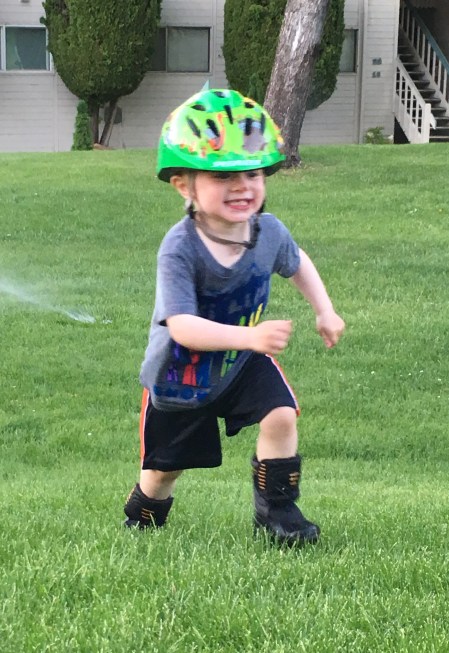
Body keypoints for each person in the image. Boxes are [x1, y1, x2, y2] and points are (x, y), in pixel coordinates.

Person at [123, 89, 345, 545]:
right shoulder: (179, 248)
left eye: (252, 173)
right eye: (223, 176)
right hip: (181, 374)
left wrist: (325, 310)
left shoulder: (269, 232)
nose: (243, 186)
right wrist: (250, 337)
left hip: (242, 362)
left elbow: (297, 261)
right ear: (184, 185)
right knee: (165, 470)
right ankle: (143, 514)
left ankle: (278, 513)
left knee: (281, 414)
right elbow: (182, 327)